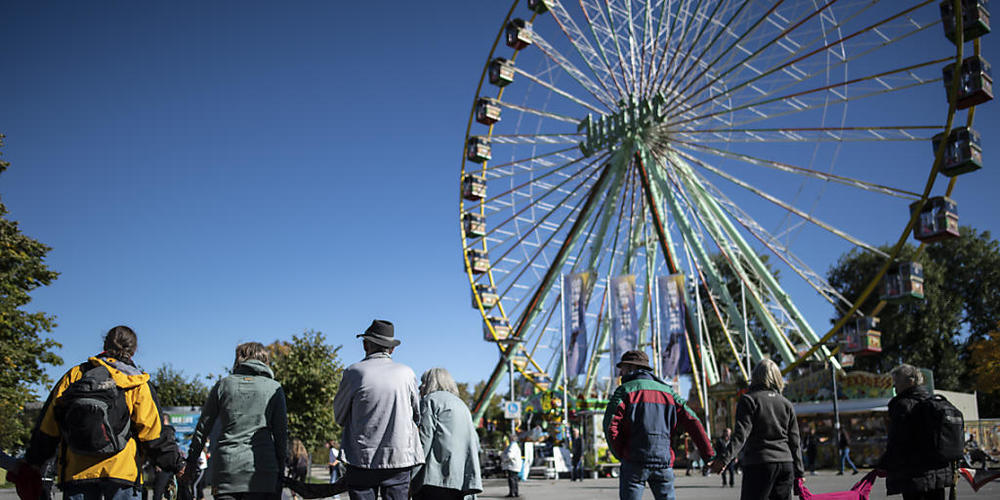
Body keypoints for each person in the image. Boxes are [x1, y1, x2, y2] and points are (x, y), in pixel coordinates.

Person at [17, 325, 184, 500]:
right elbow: (152, 434)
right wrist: (177, 465)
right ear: (133, 350)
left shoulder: (75, 376)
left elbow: (48, 426)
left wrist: (34, 461)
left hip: (77, 472)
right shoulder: (136, 382)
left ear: (105, 345)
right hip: (122, 474)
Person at [182, 342, 289, 500]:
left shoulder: (223, 385)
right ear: (265, 360)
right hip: (263, 470)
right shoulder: (274, 388)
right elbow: (281, 434)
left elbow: (202, 429)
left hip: (227, 470)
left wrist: (190, 463)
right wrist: (280, 469)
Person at [604, 350, 714, 500]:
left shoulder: (624, 391)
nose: (620, 373)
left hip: (634, 460)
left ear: (631, 368)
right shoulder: (668, 392)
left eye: (622, 368)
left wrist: (621, 453)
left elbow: (611, 425)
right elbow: (693, 421)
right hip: (663, 460)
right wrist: (708, 454)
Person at [333, 320, 423, 500]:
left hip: (361, 458)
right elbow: (416, 415)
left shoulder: (354, 372)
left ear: (365, 344)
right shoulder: (407, 373)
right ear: (391, 349)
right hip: (399, 455)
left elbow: (339, 415)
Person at [709, 359, 804, 500]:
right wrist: (800, 472)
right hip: (785, 464)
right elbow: (795, 441)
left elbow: (741, 435)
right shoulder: (786, 404)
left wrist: (724, 459)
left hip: (759, 463)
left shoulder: (749, 400)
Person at [876, 364, 955, 500]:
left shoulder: (903, 405)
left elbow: (897, 440)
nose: (895, 387)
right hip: (938, 471)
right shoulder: (933, 401)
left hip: (914, 473)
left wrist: (883, 464)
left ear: (910, 381)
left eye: (897, 382)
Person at [412, 367, 483, 500]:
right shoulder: (462, 405)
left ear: (432, 383)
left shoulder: (429, 401)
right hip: (460, 478)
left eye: (423, 382)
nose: (420, 387)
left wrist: (412, 477)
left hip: (435, 478)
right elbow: (475, 441)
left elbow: (424, 441)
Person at [151, 414, 179, 500]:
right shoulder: (171, 432)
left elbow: (154, 450)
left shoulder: (164, 432)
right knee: (171, 492)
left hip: (163, 466)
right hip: (171, 465)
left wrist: (155, 463)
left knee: (158, 493)